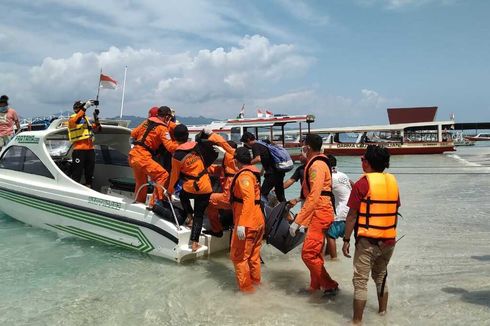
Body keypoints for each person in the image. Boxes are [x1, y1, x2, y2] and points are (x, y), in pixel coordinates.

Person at [342, 145, 400, 325]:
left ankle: (357, 322)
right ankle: (383, 314)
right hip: (389, 240)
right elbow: (394, 209)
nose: (362, 162)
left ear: (367, 163)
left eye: (362, 159)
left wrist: (345, 240)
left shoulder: (362, 184)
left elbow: (351, 215)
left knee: (360, 281)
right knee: (381, 276)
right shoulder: (392, 182)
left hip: (368, 241)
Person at [289, 133, 338, 294]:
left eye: (303, 145)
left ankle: (330, 285)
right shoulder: (317, 163)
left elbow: (315, 195)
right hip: (318, 211)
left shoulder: (316, 166)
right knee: (315, 253)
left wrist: (298, 220)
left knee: (308, 254)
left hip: (320, 212)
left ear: (307, 147)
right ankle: (315, 286)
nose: (301, 148)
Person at [167, 124, 212, 252]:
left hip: (191, 187)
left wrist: (170, 191)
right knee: (200, 215)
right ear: (187, 136)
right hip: (205, 186)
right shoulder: (197, 146)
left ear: (174, 138)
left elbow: (174, 176)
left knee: (182, 195)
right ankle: (194, 243)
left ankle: (189, 217)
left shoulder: (176, 156)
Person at [229, 147, 265, 292]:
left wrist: (241, 225)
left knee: (239, 258)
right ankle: (256, 284)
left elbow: (248, 200)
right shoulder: (253, 172)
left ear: (236, 161)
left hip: (248, 221)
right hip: (258, 220)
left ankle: (247, 292)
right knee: (253, 256)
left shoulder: (244, 177)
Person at [129, 106, 178, 204]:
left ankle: (139, 203)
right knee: (163, 175)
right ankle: (154, 204)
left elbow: (133, 133)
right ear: (167, 117)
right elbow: (170, 147)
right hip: (143, 157)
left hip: (133, 155)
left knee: (141, 183)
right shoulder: (162, 128)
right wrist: (181, 144)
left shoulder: (146, 122)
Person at [240, 131, 286, 202]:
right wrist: (262, 171)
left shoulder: (255, 145)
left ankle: (262, 211)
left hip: (272, 174)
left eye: (245, 142)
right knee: (280, 195)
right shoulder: (262, 143)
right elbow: (267, 158)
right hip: (279, 171)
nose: (246, 145)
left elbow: (258, 158)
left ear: (248, 140)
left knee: (262, 194)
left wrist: (246, 165)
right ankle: (285, 211)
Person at [205, 140, 238, 237]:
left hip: (230, 198)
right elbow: (221, 170)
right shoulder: (238, 164)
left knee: (208, 200)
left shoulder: (232, 161)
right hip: (235, 199)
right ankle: (226, 224)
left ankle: (217, 230)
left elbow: (228, 168)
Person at [325, 154, 353, 259]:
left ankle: (333, 260)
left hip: (342, 211)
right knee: (331, 233)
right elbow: (353, 186)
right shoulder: (343, 175)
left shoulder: (329, 177)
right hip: (351, 210)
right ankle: (327, 256)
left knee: (330, 236)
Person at [68, 100, 101, 187]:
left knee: (89, 173)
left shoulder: (86, 119)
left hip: (90, 149)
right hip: (79, 150)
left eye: (83, 107)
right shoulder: (72, 118)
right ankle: (75, 190)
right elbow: (76, 121)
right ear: (76, 109)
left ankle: (89, 187)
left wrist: (96, 117)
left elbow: (97, 129)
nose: (83, 108)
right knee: (77, 173)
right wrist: (85, 107)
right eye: (82, 107)